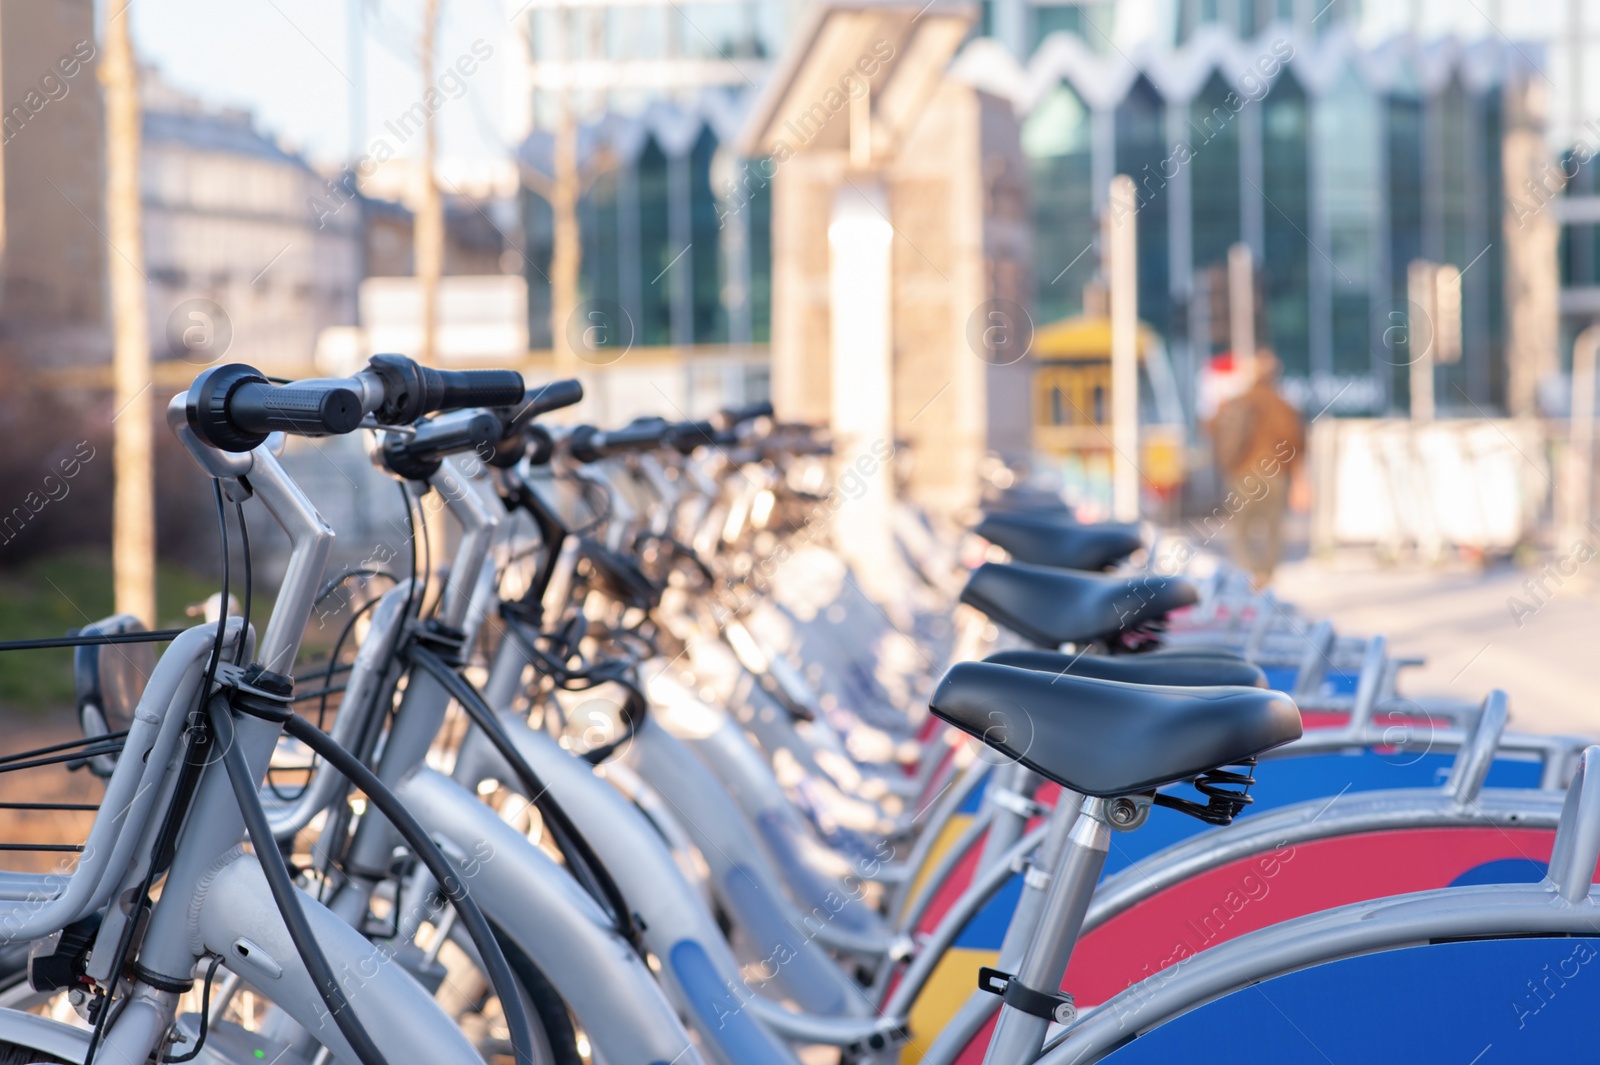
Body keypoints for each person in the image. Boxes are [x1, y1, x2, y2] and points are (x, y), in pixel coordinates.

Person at [1207, 350, 1304, 590]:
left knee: (1241, 526)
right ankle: (1266, 574)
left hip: (1243, 473)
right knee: (1273, 527)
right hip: (1275, 474)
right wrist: (1301, 480)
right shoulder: (1284, 405)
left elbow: (1211, 426)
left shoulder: (1238, 400)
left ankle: (1248, 572)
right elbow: (1296, 443)